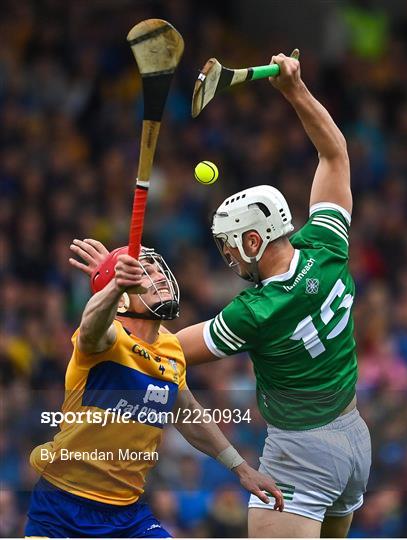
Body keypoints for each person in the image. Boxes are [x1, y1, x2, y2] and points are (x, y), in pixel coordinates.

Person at [71, 52, 371, 538]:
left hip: (301, 453)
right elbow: (334, 152)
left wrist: (116, 281)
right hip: (355, 440)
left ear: (253, 241)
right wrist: (296, 91)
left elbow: (158, 347)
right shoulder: (326, 243)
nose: (228, 258)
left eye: (231, 247)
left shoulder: (254, 312)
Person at [26, 246, 282, 538]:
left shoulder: (172, 348)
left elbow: (188, 414)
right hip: (61, 507)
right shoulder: (108, 339)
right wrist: (113, 286)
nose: (158, 275)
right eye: (144, 272)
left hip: (127, 512)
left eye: (158, 268)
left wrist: (241, 468)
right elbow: (91, 328)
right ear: (121, 298)